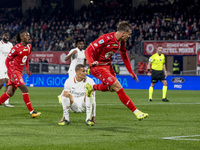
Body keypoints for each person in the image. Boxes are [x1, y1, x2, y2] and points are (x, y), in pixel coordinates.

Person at [84, 21, 148, 121]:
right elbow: (88, 50)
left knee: (112, 88)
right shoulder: (105, 38)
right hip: (98, 67)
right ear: (123, 33)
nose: (129, 36)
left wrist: (130, 71)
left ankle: (92, 87)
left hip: (108, 66)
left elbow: (124, 54)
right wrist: (91, 62)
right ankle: (137, 112)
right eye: (129, 34)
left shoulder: (121, 41)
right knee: (117, 86)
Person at [0, 30, 41, 118]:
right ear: (22, 37)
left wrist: (27, 68)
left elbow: (26, 57)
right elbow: (7, 61)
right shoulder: (16, 48)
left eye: (29, 35)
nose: (28, 37)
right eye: (26, 35)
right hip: (14, 71)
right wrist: (11, 75)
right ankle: (32, 112)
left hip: (19, 72)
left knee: (10, 93)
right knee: (25, 89)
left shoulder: (29, 47)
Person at [0, 32, 14, 107]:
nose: (7, 37)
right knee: (1, 83)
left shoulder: (10, 45)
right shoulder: (0, 44)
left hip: (8, 67)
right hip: (1, 66)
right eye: (5, 35)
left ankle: (6, 102)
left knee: (8, 83)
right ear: (2, 36)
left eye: (8, 35)